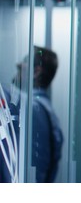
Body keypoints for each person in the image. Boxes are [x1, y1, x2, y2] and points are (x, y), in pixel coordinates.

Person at [0, 46, 63, 183]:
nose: (18, 64)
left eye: (25, 61)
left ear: (36, 71)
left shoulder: (35, 110)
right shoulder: (49, 116)